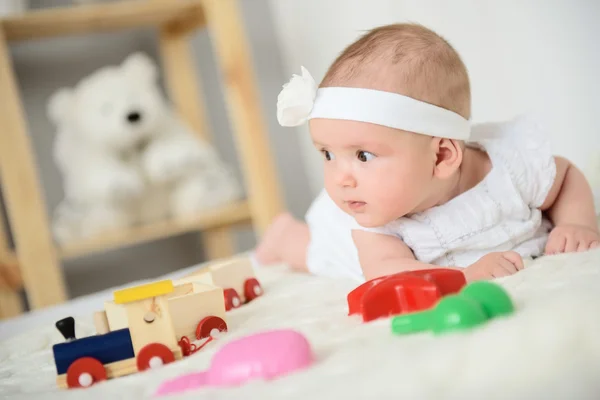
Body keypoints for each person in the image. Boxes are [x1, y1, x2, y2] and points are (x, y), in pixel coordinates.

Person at [255, 23, 599, 283]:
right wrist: (464, 277)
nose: (338, 178)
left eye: (363, 156)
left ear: (441, 157)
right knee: (316, 254)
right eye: (327, 154)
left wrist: (576, 222)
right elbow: (386, 273)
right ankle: (283, 234)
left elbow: (564, 175)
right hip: (347, 246)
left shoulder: (509, 167)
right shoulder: (373, 220)